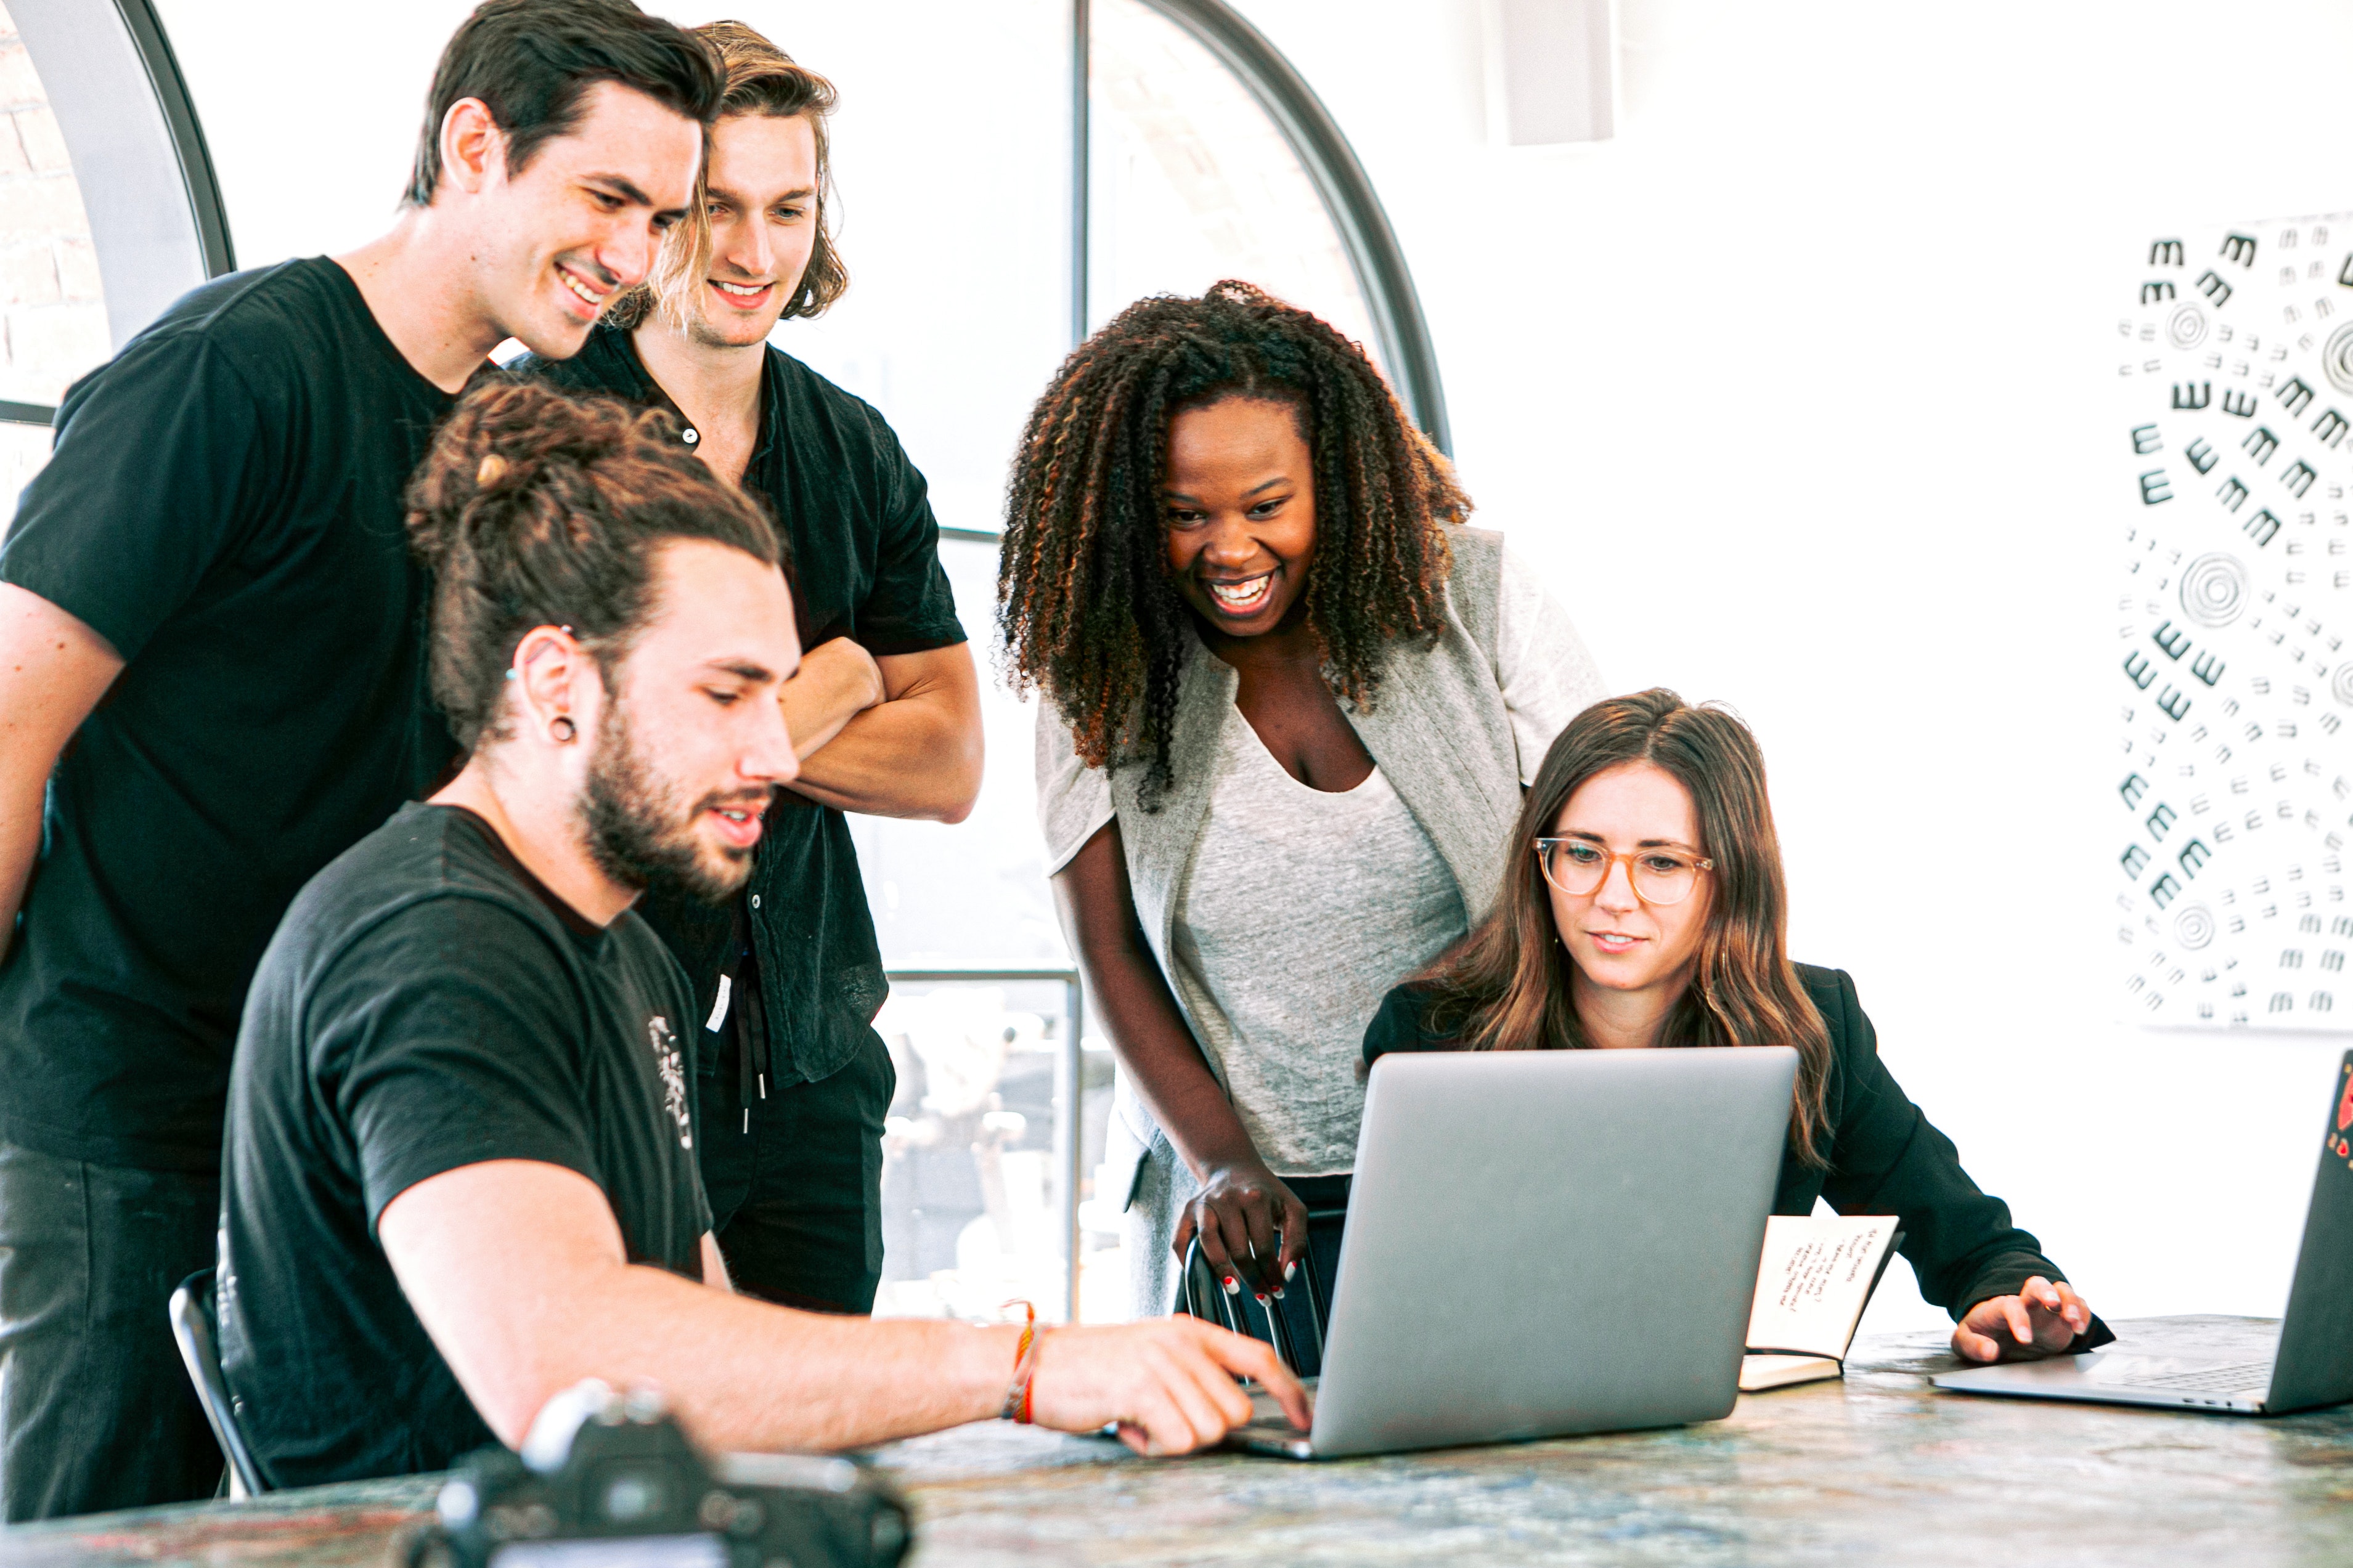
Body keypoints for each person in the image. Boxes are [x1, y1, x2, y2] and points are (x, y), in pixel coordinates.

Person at [214, 381, 1305, 1486]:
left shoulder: (625, 951)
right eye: (725, 695)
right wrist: (1023, 1369)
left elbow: (713, 1348)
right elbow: (572, 1369)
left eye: (775, 696)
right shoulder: (434, 943)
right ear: (555, 682)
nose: (779, 758)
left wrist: (1047, 1404)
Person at [0, 0, 720, 1518]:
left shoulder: (535, 429)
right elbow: (9, 718)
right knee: (95, 1530)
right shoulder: (228, 374)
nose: (638, 256)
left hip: (359, 1117)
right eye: (605, 198)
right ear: (473, 145)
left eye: (662, 217)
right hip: (131, 1104)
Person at [999, 282, 1607, 1325]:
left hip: (1491, 1162)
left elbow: (1595, 860)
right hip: (1244, 1210)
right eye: (1185, 515)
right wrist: (1223, 1163)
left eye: (1266, 506)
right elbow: (1108, 949)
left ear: (1336, 479)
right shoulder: (1098, 666)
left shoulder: (1476, 598)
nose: (1228, 550)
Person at [517, 22, 982, 1316]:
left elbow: (949, 761)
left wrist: (710, 723)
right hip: (596, 1051)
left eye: (789, 208)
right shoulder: (539, 429)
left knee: (815, 1472)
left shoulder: (856, 451)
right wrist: (834, 681)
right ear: (655, 211)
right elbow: (552, 751)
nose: (752, 252)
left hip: (814, 1069)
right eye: (714, 207)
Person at [1363, 689, 2111, 1364]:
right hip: (1490, 1431)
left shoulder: (1812, 1028)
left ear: (1728, 878)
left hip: (1727, 1449)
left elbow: (1970, 1241)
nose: (1612, 896)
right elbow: (1397, 1302)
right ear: (1540, 863)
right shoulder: (1433, 1034)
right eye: (1583, 853)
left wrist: (2009, 1301)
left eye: (1660, 863)